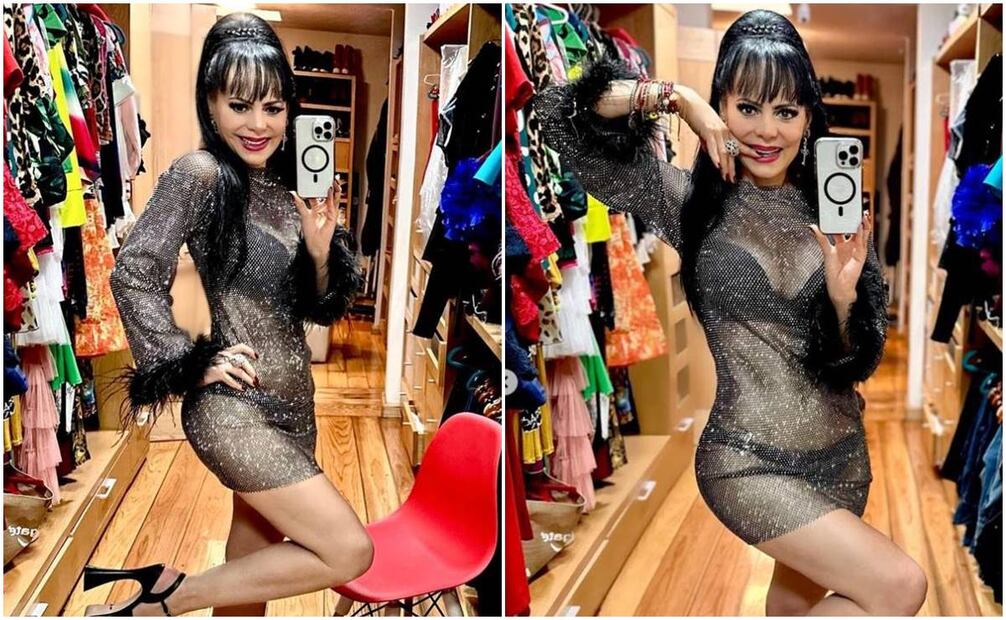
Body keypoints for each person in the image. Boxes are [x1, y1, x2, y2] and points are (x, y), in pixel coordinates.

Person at [535, 9, 928, 617]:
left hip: (841, 457)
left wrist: (843, 299)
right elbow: (553, 115)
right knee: (900, 586)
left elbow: (856, 360)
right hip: (745, 461)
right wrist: (676, 97)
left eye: (787, 111)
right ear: (721, 105)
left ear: (808, 118)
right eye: (747, 107)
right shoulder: (684, 200)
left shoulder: (836, 212)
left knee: (791, 610)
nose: (767, 131)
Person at [85, 13, 371, 616]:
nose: (258, 124)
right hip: (232, 409)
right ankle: (167, 597)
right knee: (349, 550)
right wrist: (190, 362)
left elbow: (317, 309)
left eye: (273, 107)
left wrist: (320, 252)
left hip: (295, 405)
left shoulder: (290, 189)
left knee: (249, 584)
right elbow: (134, 272)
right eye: (240, 105)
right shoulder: (202, 176)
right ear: (210, 104)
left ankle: (166, 596)